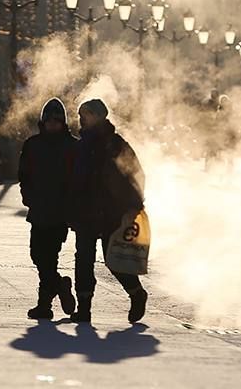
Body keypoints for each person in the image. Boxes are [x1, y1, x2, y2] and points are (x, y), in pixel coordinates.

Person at [67, 99, 147, 324]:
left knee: (114, 260)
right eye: (81, 114)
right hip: (85, 212)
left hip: (112, 212)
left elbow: (136, 175)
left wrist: (134, 206)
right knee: (83, 259)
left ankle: (136, 293)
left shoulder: (116, 144)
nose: (81, 118)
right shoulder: (81, 145)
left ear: (98, 116)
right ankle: (84, 308)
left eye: (85, 114)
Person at [18, 98, 77, 320]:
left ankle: (44, 304)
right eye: (50, 120)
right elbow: (24, 174)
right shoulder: (33, 144)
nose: (53, 124)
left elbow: (77, 178)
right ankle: (60, 284)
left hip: (60, 212)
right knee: (37, 255)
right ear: (43, 121)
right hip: (39, 208)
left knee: (48, 257)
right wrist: (27, 196)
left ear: (63, 122)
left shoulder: (72, 145)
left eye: (57, 120)